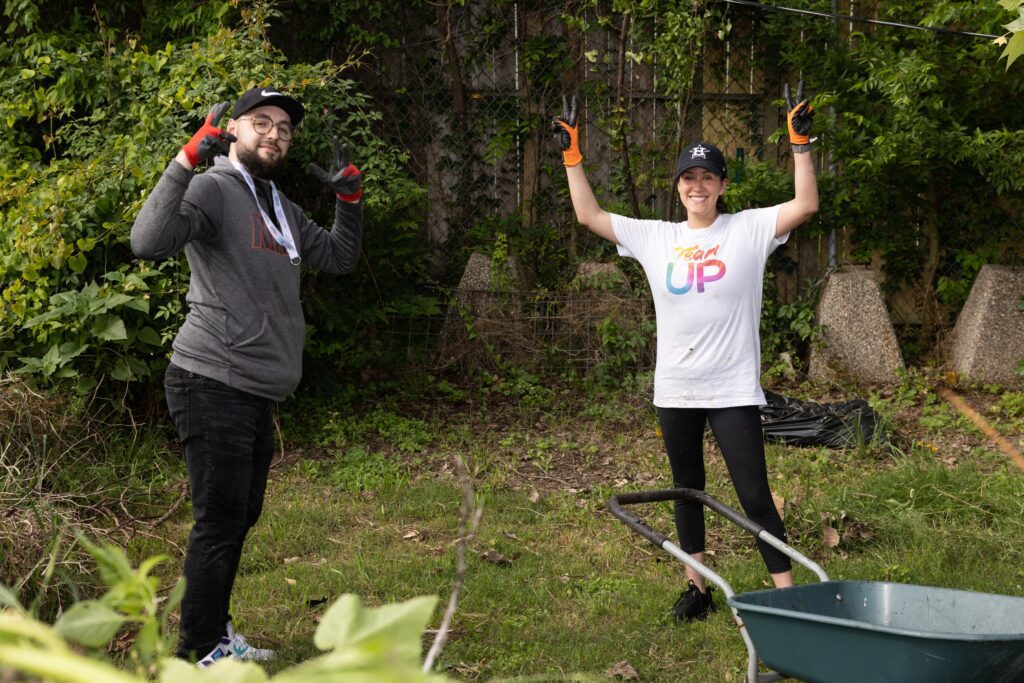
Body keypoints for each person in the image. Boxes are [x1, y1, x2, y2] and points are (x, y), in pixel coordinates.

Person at [553, 84, 818, 621]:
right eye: (689, 178)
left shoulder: (747, 230)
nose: (698, 186)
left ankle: (790, 597)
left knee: (754, 495)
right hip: (675, 388)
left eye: (708, 177)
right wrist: (572, 158)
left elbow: (806, 204)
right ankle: (698, 589)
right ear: (678, 187)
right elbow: (588, 215)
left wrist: (800, 144)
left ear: (722, 185)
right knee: (686, 489)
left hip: (732, 388)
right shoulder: (655, 238)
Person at [130, 86, 365, 665]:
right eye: (261, 122)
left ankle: (213, 629)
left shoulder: (277, 203)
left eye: (284, 128)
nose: (275, 135)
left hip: (253, 388)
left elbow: (337, 257)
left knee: (238, 517)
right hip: (213, 377)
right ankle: (195, 652)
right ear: (232, 129)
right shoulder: (212, 188)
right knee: (219, 522)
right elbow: (146, 242)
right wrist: (185, 161)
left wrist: (351, 199)